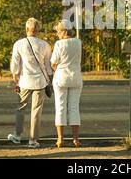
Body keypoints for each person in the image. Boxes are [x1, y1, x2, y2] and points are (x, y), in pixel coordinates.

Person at [8, 18, 53, 149]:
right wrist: (49, 80)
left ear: (26, 29)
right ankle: (33, 140)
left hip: (24, 81)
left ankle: (17, 136)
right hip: (40, 82)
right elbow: (48, 66)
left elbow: (15, 65)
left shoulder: (19, 44)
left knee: (20, 108)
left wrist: (15, 79)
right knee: (36, 111)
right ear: (38, 30)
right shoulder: (45, 44)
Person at [51, 20, 83, 148]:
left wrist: (56, 68)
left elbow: (53, 62)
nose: (57, 34)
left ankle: (60, 139)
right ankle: (76, 139)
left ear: (63, 31)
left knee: (60, 107)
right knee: (74, 108)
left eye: (58, 31)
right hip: (76, 77)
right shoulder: (78, 42)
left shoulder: (59, 44)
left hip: (61, 77)